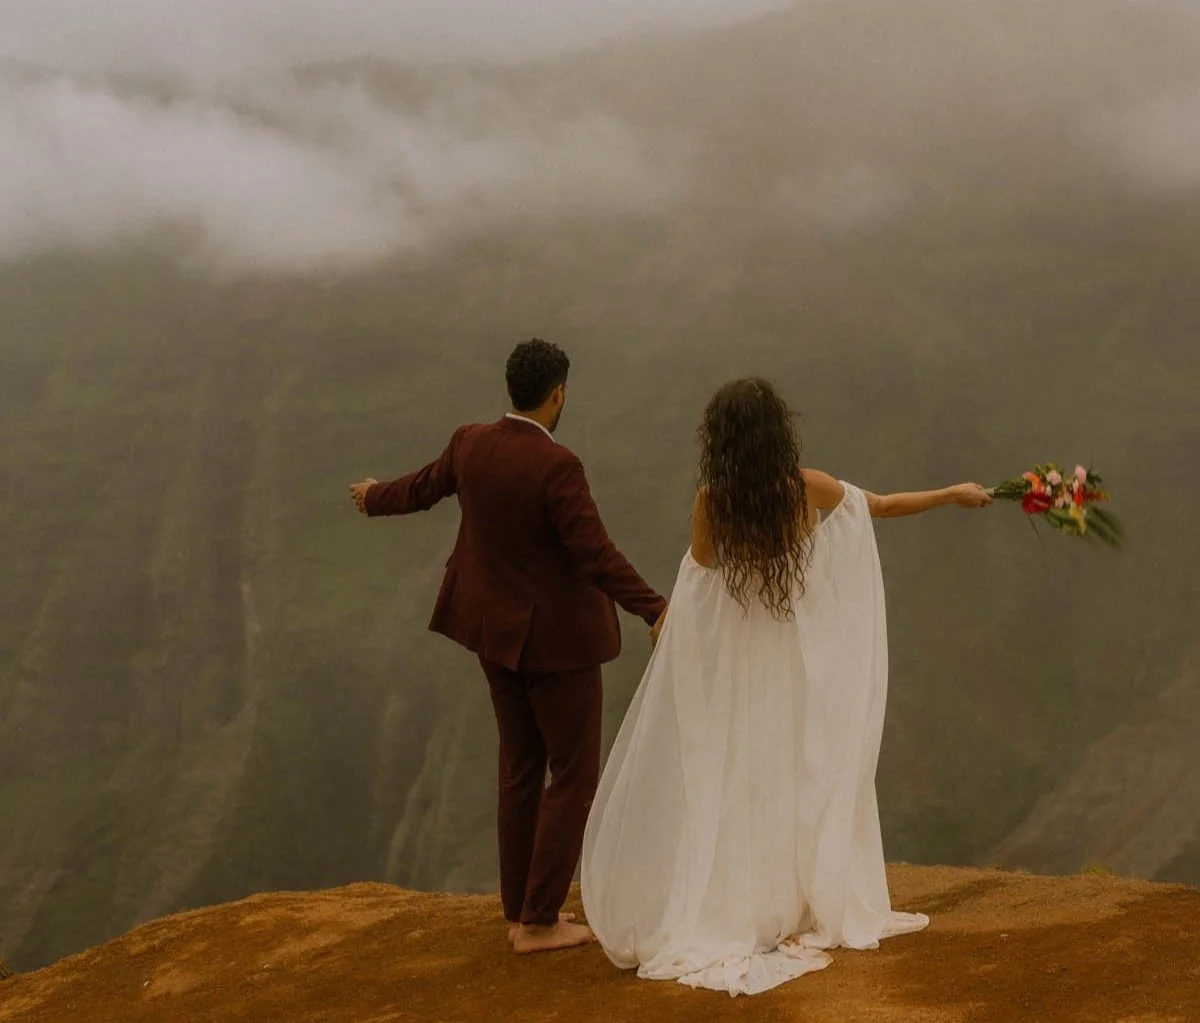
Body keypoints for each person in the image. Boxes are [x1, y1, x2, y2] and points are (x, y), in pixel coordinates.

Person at [581, 377, 991, 994]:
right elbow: (878, 506)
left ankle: (750, 900)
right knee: (800, 768)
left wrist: (670, 636)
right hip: (797, 659)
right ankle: (799, 896)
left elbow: (698, 583)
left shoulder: (712, 502)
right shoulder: (803, 487)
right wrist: (952, 494)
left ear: (719, 440)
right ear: (778, 432)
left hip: (745, 664)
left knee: (743, 775)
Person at [349, 339, 667, 954]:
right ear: (558, 394)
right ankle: (541, 920)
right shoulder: (558, 467)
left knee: (520, 769)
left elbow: (421, 487)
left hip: (493, 637)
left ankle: (518, 912)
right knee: (572, 772)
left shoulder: (471, 441)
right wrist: (655, 608)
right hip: (557, 649)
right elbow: (594, 553)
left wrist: (372, 496)